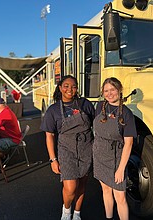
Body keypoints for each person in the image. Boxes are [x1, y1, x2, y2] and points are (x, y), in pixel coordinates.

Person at [41, 75, 95, 220]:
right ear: (60, 88)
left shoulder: (85, 104)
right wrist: (53, 159)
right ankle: (66, 210)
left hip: (86, 147)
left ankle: (77, 213)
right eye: (66, 86)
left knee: (82, 184)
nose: (70, 89)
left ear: (77, 88)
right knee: (71, 187)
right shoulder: (53, 110)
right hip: (66, 150)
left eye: (73, 86)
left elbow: (96, 124)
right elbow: (49, 136)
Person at [93, 77, 137, 220]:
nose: (109, 93)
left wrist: (120, 169)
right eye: (106, 90)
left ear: (119, 91)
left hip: (117, 158)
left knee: (120, 196)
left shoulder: (126, 113)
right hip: (100, 155)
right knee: (106, 190)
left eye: (112, 89)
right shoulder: (100, 107)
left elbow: (128, 143)